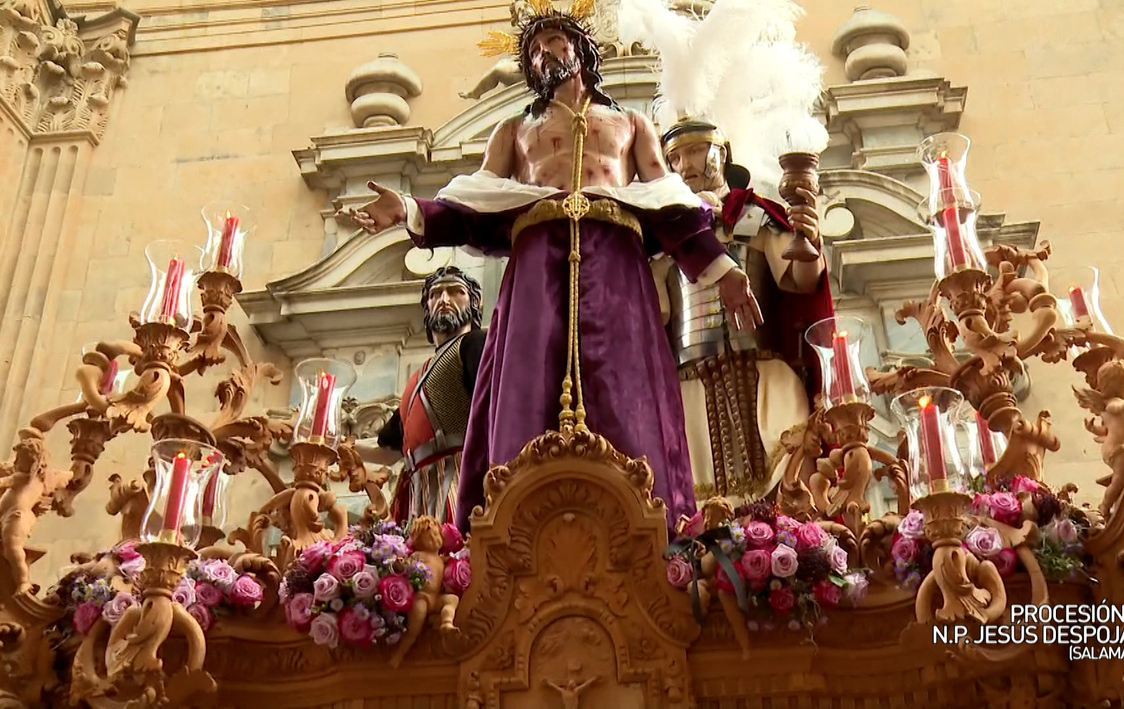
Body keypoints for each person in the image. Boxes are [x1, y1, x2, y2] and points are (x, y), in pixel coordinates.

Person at [343, 1, 761, 534]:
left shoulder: (632, 125)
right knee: (526, 379)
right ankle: (508, 524)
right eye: (533, 49)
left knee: (626, 384)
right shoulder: (514, 131)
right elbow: (474, 207)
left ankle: (648, 521)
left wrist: (721, 271)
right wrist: (407, 210)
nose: (543, 53)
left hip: (615, 260)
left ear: (581, 47)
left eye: (553, 40)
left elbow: (670, 205)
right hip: (537, 261)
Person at [654, 117, 833, 506]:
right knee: (700, 501)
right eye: (674, 157)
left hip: (765, 375)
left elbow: (799, 282)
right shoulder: (662, 238)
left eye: (695, 151)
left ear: (722, 153)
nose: (685, 165)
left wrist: (810, 239)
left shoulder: (754, 217)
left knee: (790, 480)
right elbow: (654, 317)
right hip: (691, 386)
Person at [354, 267, 486, 524]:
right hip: (415, 490)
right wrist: (339, 446)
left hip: (459, 480)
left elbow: (495, 408)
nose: (444, 300)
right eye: (435, 294)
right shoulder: (417, 378)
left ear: (474, 303)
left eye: (455, 292)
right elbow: (391, 450)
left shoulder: (476, 344)